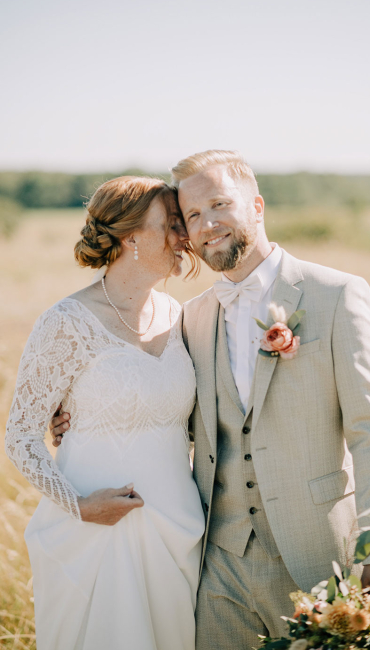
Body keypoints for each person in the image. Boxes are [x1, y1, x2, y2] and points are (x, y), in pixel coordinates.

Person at [51, 150, 370, 650]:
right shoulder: (191, 318)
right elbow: (160, 402)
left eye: (219, 204)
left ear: (257, 206)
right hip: (216, 563)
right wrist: (79, 415)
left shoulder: (337, 295)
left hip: (315, 557)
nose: (206, 225)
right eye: (192, 216)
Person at [5, 176, 205, 650]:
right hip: (96, 533)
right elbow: (21, 436)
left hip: (177, 526)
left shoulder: (181, 318)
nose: (185, 237)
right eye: (172, 224)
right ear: (130, 235)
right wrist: (81, 506)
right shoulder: (66, 322)